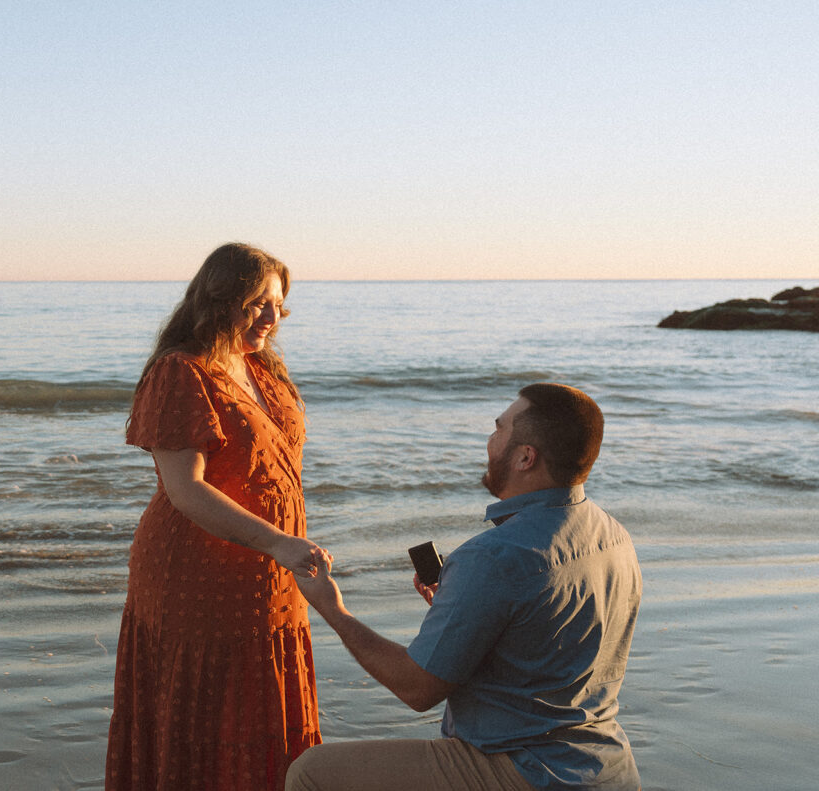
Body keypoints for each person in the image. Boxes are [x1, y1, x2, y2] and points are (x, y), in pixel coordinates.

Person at [289, 383, 642, 791]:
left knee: (312, 771)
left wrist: (332, 608)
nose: (490, 441)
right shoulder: (614, 536)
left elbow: (417, 688)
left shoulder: (493, 556)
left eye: (499, 429)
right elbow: (544, 643)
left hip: (527, 772)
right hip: (607, 767)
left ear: (526, 457)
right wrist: (462, 611)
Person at [105, 243, 328, 791]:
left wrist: (282, 548)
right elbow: (186, 491)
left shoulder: (260, 367)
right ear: (220, 298)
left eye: (280, 306)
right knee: (205, 717)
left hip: (273, 572)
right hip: (197, 577)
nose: (272, 319)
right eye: (258, 304)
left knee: (265, 711)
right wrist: (279, 542)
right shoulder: (180, 371)